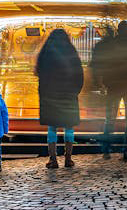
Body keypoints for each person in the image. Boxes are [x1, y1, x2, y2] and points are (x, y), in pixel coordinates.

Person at [95, 21, 127, 160]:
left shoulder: (111, 45)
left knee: (110, 118)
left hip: (113, 86)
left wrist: (103, 82)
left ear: (118, 31)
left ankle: (106, 149)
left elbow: (104, 65)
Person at [35, 29, 84, 169]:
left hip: (50, 97)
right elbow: (79, 76)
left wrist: (44, 96)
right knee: (69, 128)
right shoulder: (71, 53)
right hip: (68, 96)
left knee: (52, 128)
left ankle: (53, 159)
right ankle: (68, 158)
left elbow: (41, 76)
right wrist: (74, 92)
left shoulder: (45, 55)